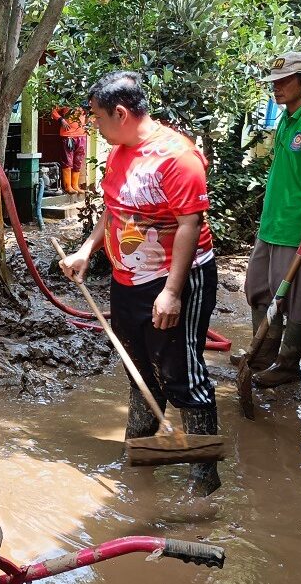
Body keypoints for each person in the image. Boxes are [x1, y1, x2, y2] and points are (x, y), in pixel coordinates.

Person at [59, 71, 221, 497]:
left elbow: (190, 224)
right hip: (126, 279)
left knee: (182, 374)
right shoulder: (119, 152)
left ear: (121, 113)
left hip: (174, 281)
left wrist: (171, 291)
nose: (94, 125)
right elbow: (113, 211)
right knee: (140, 372)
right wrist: (86, 250)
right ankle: (141, 458)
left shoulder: (177, 157)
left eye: (97, 117)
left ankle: (204, 481)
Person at [235, 52, 301, 386]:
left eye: (284, 81)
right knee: (258, 289)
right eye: (274, 83)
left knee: (295, 301)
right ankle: (262, 354)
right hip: (271, 225)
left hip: (299, 230)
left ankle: (287, 364)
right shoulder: (287, 118)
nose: (276, 88)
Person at [51, 106, 89, 193]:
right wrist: (61, 120)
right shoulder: (65, 99)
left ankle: (75, 185)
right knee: (67, 161)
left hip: (81, 135)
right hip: (68, 135)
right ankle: (68, 186)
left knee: (78, 161)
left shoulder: (84, 101)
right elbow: (54, 111)